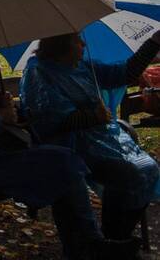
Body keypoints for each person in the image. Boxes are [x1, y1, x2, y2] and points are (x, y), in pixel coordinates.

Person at [0, 50, 135, 259]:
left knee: (63, 161)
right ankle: (87, 247)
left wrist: (6, 106)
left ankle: (85, 246)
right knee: (62, 162)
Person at [22, 31, 160, 245]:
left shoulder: (83, 66)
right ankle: (114, 236)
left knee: (148, 168)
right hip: (71, 147)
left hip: (104, 139)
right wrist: (90, 117)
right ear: (61, 46)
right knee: (126, 175)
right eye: (77, 41)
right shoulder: (38, 72)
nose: (83, 44)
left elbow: (125, 73)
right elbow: (46, 119)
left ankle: (117, 236)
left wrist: (153, 42)